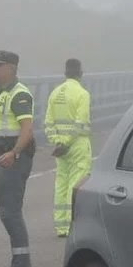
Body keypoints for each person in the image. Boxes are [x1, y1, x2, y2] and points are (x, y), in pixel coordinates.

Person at [0, 50, 36, 267]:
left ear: (12, 68)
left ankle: (22, 265)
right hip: (2, 157)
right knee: (7, 211)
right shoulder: (0, 94)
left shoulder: (19, 94)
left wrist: (14, 153)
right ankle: (18, 262)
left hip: (14, 159)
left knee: (10, 212)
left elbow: (27, 129)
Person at [44, 58, 93, 238]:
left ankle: (61, 226)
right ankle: (73, 225)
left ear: (65, 73)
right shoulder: (82, 94)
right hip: (77, 146)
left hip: (60, 149)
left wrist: (57, 141)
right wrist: (67, 142)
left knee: (61, 185)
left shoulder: (54, 93)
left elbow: (48, 123)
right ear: (80, 73)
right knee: (76, 185)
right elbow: (81, 124)